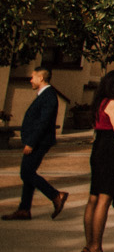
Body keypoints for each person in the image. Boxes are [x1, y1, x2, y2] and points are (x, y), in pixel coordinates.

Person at [81, 68, 114, 252]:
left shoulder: (100, 102)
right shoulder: (113, 103)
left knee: (93, 197)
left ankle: (89, 244)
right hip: (109, 149)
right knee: (104, 198)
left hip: (98, 148)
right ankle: (96, 247)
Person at [6, 67, 67, 222]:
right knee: (28, 173)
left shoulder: (49, 96)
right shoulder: (44, 95)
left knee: (26, 173)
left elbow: (43, 123)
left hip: (39, 142)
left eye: (33, 77)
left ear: (41, 78)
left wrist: (31, 143)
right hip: (36, 141)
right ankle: (24, 209)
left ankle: (56, 195)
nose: (30, 80)